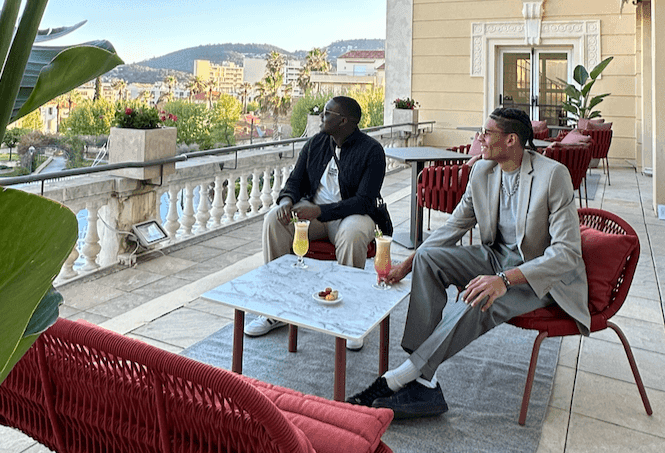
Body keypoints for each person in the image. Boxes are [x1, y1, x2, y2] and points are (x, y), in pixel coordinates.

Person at [347, 107, 589, 419]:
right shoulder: (482, 172)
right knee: (429, 257)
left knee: (480, 297)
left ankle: (402, 377)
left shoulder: (552, 176)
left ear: (512, 140)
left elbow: (567, 253)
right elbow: (452, 228)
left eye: (487, 133)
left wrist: (503, 281)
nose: (479, 139)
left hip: (538, 275)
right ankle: (424, 378)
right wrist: (407, 264)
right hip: (495, 257)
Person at [247, 96, 388, 348]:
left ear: (344, 121)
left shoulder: (372, 151)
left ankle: (349, 319)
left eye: (327, 113)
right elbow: (295, 180)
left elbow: (365, 202)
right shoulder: (316, 143)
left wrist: (318, 211)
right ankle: (277, 307)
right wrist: (285, 201)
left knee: (353, 232)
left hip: (353, 215)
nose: (321, 117)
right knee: (273, 221)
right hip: (316, 217)